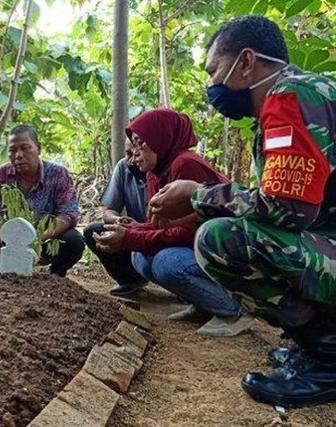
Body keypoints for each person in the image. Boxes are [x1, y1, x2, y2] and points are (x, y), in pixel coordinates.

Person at [148, 15, 336, 407]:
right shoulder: (309, 91)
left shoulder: (289, 99)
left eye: (215, 71)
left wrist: (199, 197)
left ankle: (328, 357)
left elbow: (289, 210)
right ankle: (321, 345)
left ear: (246, 62)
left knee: (221, 240)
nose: (212, 86)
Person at [94, 108, 253, 337]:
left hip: (228, 253)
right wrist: (130, 230)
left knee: (167, 263)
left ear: (161, 138)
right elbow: (162, 225)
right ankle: (204, 305)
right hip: (199, 248)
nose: (135, 153)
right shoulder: (154, 173)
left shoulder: (185, 165)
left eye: (141, 144)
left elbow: (190, 231)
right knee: (140, 256)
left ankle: (236, 308)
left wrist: (131, 236)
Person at [0, 124, 84, 277]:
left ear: (38, 148)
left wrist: (37, 238)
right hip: (10, 241)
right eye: (12, 150)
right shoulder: (2, 174)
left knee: (73, 241)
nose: (18, 155)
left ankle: (56, 276)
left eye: (25, 148)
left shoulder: (58, 174)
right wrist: (14, 240)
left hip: (46, 240)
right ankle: (6, 271)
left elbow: (68, 214)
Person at [83, 139, 148, 296]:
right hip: (136, 235)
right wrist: (117, 221)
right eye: (128, 154)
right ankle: (130, 279)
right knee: (94, 231)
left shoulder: (168, 169)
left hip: (164, 236)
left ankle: (187, 289)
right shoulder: (123, 167)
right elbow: (108, 211)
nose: (134, 159)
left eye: (138, 153)